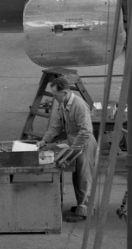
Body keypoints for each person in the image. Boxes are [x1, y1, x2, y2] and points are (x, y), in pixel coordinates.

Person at [38, 76, 99, 223]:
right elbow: (56, 124)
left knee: (84, 177)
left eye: (55, 94)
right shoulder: (64, 103)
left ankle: (84, 210)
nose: (54, 97)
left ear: (64, 92)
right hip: (75, 143)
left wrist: (73, 148)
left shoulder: (79, 105)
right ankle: (82, 205)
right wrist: (44, 140)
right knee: (77, 176)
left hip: (84, 143)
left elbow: (86, 131)